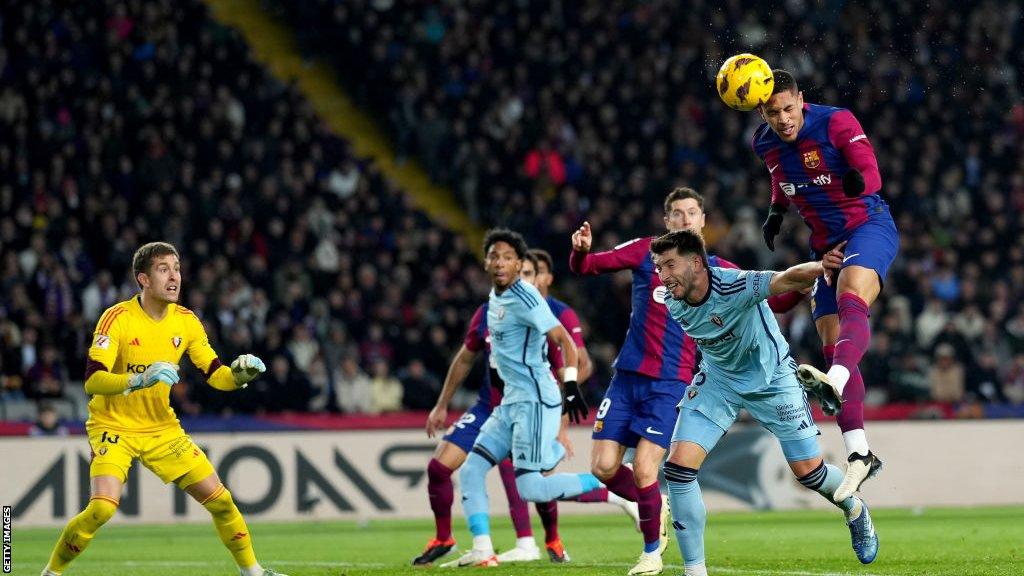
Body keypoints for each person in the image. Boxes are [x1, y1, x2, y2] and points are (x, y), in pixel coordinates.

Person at [568, 187, 803, 576]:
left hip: (671, 383)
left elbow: (774, 300)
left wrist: (802, 286)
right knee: (604, 467)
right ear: (667, 221)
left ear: (703, 221)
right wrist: (580, 250)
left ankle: (650, 554)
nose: (684, 220)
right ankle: (654, 505)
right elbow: (587, 267)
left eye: (692, 213)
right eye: (677, 214)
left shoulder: (720, 270)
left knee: (645, 470)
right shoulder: (647, 252)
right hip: (627, 377)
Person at [40, 242, 285, 576]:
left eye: (177, 268)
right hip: (113, 425)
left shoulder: (186, 321)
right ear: (143, 278)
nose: (175, 277)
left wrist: (240, 376)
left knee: (222, 503)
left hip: (161, 429)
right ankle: (50, 573)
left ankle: (253, 573)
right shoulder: (117, 318)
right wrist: (138, 381)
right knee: (101, 509)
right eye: (163, 269)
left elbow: (216, 375)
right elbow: (93, 381)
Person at [650, 230, 879, 576]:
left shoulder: (733, 286)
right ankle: (694, 571)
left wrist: (821, 267)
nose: (663, 275)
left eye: (669, 265)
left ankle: (854, 507)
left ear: (696, 263)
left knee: (810, 474)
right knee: (678, 469)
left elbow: (785, 279)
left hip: (773, 380)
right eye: (658, 267)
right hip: (719, 382)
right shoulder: (671, 297)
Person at [418, 249, 635, 566]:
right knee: (449, 468)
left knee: (530, 482)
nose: (524, 279)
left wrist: (558, 416)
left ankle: (541, 540)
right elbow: (466, 356)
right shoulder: (490, 309)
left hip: (529, 408)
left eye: (532, 273)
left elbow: (567, 364)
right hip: (490, 406)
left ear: (544, 278)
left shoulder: (546, 316)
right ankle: (460, 541)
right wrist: (442, 403)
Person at [755, 69, 898, 501]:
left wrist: (859, 182)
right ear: (762, 111)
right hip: (825, 247)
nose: (782, 119)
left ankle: (833, 380)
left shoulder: (836, 122)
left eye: (788, 108)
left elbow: (870, 171)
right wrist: (776, 212)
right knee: (831, 341)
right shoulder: (764, 143)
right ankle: (859, 454)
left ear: (802, 100)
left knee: (853, 294)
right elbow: (781, 177)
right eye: (773, 112)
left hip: (868, 226)